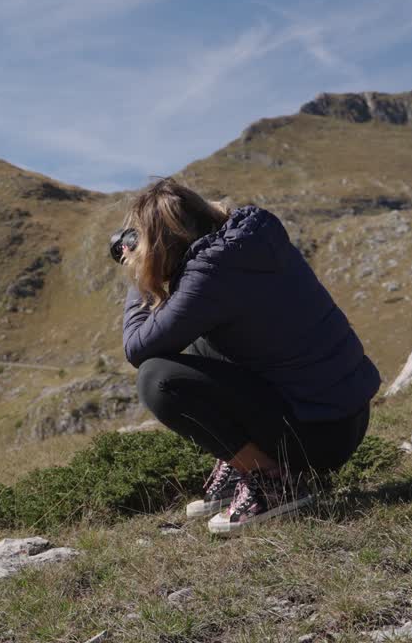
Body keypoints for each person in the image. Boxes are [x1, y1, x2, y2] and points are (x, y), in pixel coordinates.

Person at [114, 178, 380, 535]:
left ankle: (271, 481)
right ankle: (244, 464)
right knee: (195, 349)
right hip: (343, 416)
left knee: (157, 378)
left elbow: (137, 348)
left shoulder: (210, 275)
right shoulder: (248, 239)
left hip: (319, 437)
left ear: (165, 244)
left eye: (143, 241)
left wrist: (139, 279)